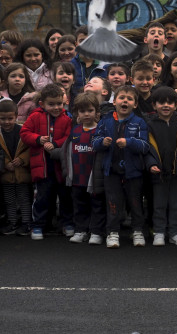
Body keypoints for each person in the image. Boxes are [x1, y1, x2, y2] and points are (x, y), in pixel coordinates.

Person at [93, 85, 150, 248]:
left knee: (135, 202)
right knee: (113, 202)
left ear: (135, 104)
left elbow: (145, 146)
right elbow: (94, 142)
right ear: (114, 101)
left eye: (130, 98)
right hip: (111, 170)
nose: (125, 101)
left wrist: (130, 142)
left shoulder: (139, 122)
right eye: (122, 97)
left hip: (133, 171)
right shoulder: (105, 121)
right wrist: (102, 142)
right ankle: (113, 232)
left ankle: (138, 230)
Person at [20, 83, 73, 240]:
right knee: (43, 197)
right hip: (42, 166)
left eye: (59, 104)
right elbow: (24, 133)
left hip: (61, 166)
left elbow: (69, 137)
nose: (56, 107)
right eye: (51, 104)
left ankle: (67, 223)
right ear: (42, 104)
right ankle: (38, 226)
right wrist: (37, 139)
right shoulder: (35, 116)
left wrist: (56, 144)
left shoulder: (67, 119)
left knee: (65, 196)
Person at [53, 92, 105, 245]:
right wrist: (52, 152)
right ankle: (81, 230)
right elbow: (65, 150)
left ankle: (96, 232)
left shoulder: (100, 131)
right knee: (79, 205)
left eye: (90, 110)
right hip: (77, 178)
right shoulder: (74, 131)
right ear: (77, 113)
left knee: (97, 206)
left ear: (96, 112)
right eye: (82, 111)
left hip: (93, 179)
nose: (86, 114)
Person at [145, 86, 177, 247]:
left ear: (176, 104)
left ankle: (175, 232)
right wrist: (151, 164)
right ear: (154, 105)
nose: (166, 105)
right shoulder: (149, 124)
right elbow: (147, 148)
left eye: (170, 102)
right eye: (161, 102)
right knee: (159, 204)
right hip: (158, 172)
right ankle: (159, 231)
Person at [0, 100, 31, 236]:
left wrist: (22, 159)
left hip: (22, 172)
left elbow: (29, 149)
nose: (7, 122)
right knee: (9, 200)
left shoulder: (23, 131)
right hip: (6, 174)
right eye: (3, 119)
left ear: (16, 116)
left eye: (10, 118)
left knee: (24, 199)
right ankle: (12, 222)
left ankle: (26, 223)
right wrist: (4, 163)